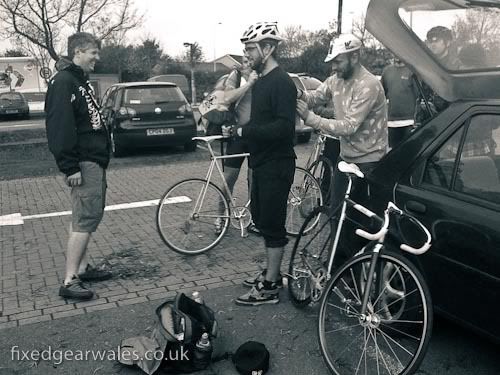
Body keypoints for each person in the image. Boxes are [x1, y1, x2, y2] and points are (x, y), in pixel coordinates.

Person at [296, 33, 388, 262]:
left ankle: (359, 265)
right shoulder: (336, 79)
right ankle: (337, 263)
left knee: (361, 220)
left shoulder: (369, 85)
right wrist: (296, 94)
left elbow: (349, 126)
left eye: (338, 61)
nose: (334, 67)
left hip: (369, 162)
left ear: (354, 56)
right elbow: (316, 96)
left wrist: (310, 119)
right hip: (345, 159)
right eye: (333, 62)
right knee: (337, 213)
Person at [232, 22, 297, 306]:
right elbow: (260, 121)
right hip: (260, 162)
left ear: (267, 48)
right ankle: (272, 271)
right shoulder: (260, 81)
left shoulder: (282, 82)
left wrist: (247, 132)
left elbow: (284, 128)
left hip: (277, 164)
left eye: (250, 48)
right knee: (261, 219)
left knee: (272, 224)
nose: (246, 54)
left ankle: (270, 285)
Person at [45, 32, 112, 300]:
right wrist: (70, 166)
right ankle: (70, 280)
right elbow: (59, 127)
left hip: (91, 160)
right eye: (93, 52)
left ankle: (82, 268)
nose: (97, 57)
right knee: (85, 219)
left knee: (84, 217)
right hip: (84, 162)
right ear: (78, 52)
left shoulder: (78, 81)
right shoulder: (65, 82)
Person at [214, 57, 258, 234]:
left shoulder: (262, 75)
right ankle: (220, 217)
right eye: (246, 59)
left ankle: (255, 218)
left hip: (256, 135)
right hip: (237, 135)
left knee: (254, 180)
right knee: (228, 179)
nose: (248, 63)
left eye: (250, 60)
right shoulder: (236, 75)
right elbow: (228, 97)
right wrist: (249, 84)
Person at [415, 26, 460, 125]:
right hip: (427, 120)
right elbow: (421, 95)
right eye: (431, 41)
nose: (433, 44)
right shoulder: (427, 65)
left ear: (447, 43)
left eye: (437, 41)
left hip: (448, 121)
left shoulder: (455, 66)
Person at [381, 57, 418, 148]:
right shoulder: (386, 71)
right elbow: (381, 94)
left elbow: (418, 94)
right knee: (392, 153)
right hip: (390, 122)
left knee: (407, 150)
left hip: (408, 121)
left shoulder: (412, 71)